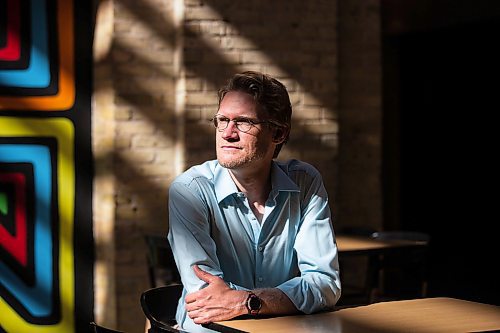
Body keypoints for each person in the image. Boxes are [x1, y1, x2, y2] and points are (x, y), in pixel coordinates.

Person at [167, 71, 341, 332]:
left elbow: (325, 284)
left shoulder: (305, 183)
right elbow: (208, 299)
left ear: (279, 133)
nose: (227, 133)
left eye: (244, 122)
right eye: (222, 120)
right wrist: (284, 299)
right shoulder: (190, 191)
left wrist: (248, 303)